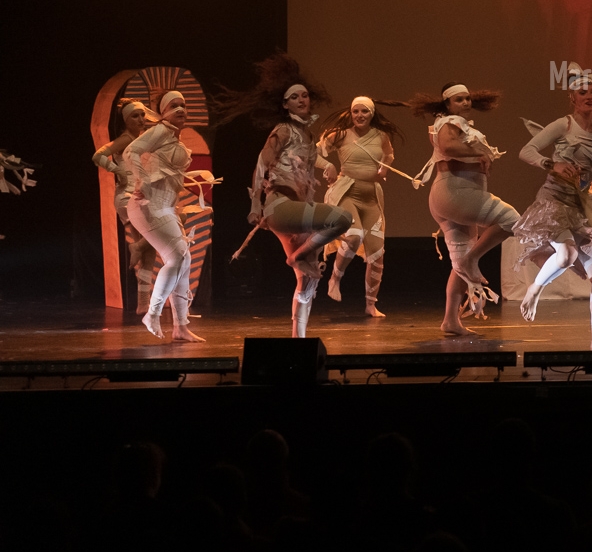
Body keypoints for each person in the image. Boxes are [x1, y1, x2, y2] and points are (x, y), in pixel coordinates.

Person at [215, 52, 352, 338]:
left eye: (305, 95)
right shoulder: (283, 130)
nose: (302, 100)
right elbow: (262, 163)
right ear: (284, 104)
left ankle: (298, 340)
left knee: (308, 281)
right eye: (295, 97)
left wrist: (327, 165)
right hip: (280, 207)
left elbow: (306, 159)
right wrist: (255, 204)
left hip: (297, 212)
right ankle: (296, 256)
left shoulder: (307, 136)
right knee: (341, 219)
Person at [514, 65, 592, 349]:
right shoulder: (563, 125)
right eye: (582, 92)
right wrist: (551, 164)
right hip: (554, 202)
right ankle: (535, 289)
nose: (589, 96)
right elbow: (526, 151)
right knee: (567, 254)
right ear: (573, 98)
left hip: (580, 206)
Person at [406, 82, 516, 335]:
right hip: (457, 193)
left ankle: (450, 321)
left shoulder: (451, 123)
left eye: (467, 98)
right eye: (459, 99)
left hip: (448, 197)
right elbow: (447, 147)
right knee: (511, 220)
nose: (465, 102)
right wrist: (479, 152)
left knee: (460, 264)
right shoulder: (449, 122)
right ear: (447, 104)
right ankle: (472, 259)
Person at [124, 91, 205, 341]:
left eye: (183, 105)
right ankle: (152, 313)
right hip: (148, 205)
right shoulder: (161, 130)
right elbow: (130, 151)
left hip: (165, 207)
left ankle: (180, 327)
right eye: (173, 106)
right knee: (178, 256)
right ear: (163, 113)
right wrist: (141, 178)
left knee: (184, 259)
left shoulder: (173, 137)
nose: (180, 109)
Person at [317, 96, 400, 318]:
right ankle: (335, 277)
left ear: (371, 114)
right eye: (356, 111)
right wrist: (327, 165)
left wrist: (384, 168)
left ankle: (371, 305)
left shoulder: (380, 136)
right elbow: (312, 153)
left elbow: (389, 155)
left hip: (371, 197)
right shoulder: (340, 135)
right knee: (354, 237)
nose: (359, 115)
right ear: (351, 113)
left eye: (364, 111)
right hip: (347, 192)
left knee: (377, 253)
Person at [94, 99, 157, 313]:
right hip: (128, 197)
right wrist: (117, 170)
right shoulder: (125, 139)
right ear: (126, 120)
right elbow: (98, 155)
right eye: (135, 116)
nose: (140, 119)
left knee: (150, 249)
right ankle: (136, 249)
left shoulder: (143, 138)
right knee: (157, 234)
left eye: (142, 115)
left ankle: (143, 302)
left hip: (140, 196)